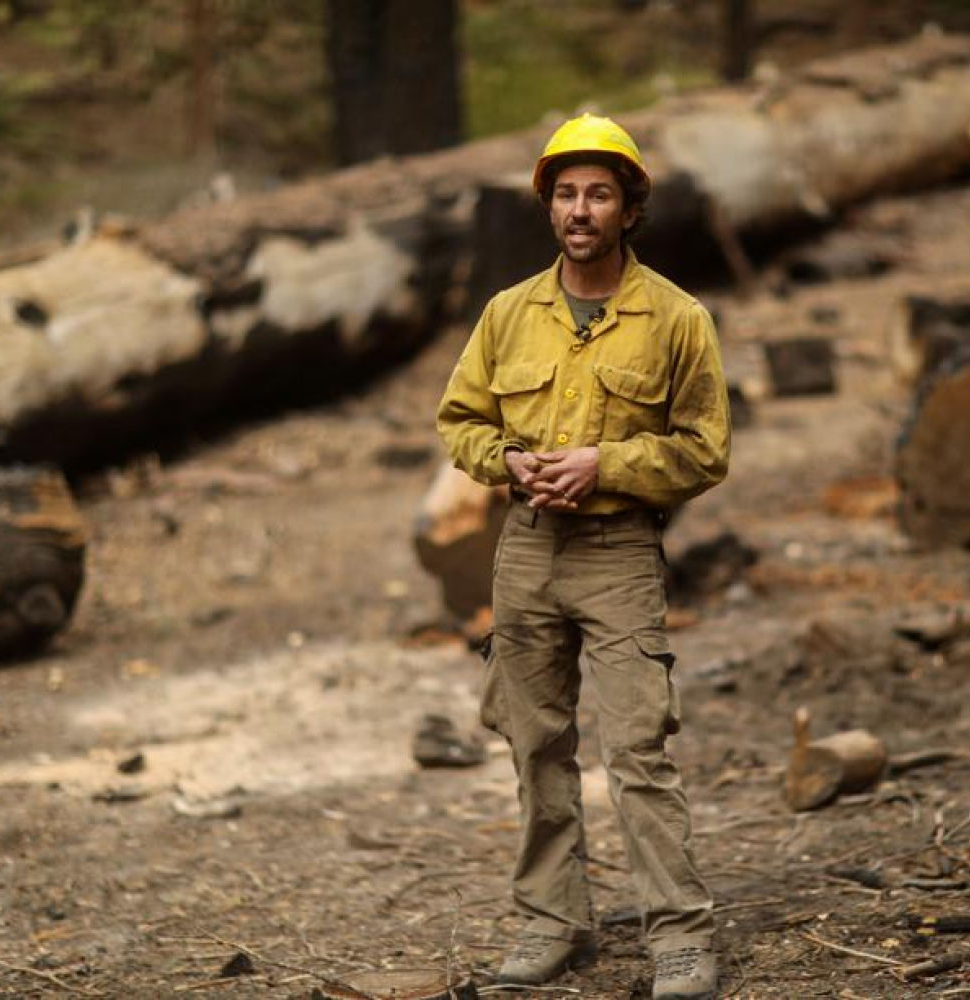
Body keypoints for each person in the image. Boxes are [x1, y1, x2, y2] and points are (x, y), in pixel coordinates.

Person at [436, 113, 730, 1000]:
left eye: (598, 193)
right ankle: (552, 923)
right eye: (565, 193)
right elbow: (461, 422)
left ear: (628, 208)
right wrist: (510, 463)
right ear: (547, 205)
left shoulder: (675, 318)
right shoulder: (507, 314)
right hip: (525, 552)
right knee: (535, 743)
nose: (579, 208)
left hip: (618, 550)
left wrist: (608, 464)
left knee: (638, 747)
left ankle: (677, 937)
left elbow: (705, 450)